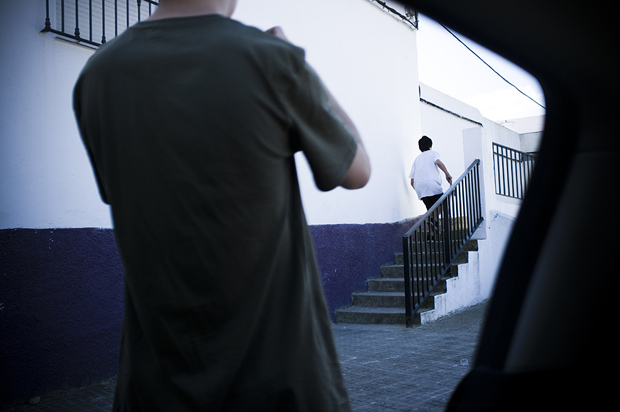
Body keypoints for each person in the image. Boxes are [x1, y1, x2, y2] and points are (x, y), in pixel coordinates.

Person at [73, 0, 370, 411]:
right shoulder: (268, 59)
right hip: (281, 388)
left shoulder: (98, 74)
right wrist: (302, 69)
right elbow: (358, 171)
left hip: (153, 392)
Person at [409, 135, 452, 210]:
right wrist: (447, 174)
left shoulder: (417, 159)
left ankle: (430, 218)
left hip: (420, 189)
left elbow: (412, 182)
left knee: (431, 210)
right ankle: (433, 217)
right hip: (432, 186)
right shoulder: (433, 154)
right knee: (443, 205)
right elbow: (438, 163)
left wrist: (420, 189)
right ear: (430, 146)